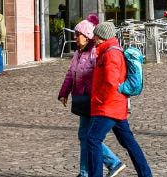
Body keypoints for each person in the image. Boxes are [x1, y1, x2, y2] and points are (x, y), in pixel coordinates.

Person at [86, 21, 153, 177]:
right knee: (129, 142)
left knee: (92, 139)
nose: (94, 38)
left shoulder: (110, 53)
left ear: (102, 36)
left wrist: (100, 100)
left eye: (96, 35)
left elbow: (111, 82)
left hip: (108, 106)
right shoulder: (107, 51)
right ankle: (145, 174)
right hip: (115, 106)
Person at [58, 19, 123, 177]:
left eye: (78, 35)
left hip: (92, 100)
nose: (75, 37)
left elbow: (103, 76)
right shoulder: (78, 53)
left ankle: (109, 164)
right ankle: (92, 169)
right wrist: (63, 92)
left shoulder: (95, 52)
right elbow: (70, 73)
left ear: (87, 36)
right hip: (82, 99)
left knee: (87, 136)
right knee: (85, 136)